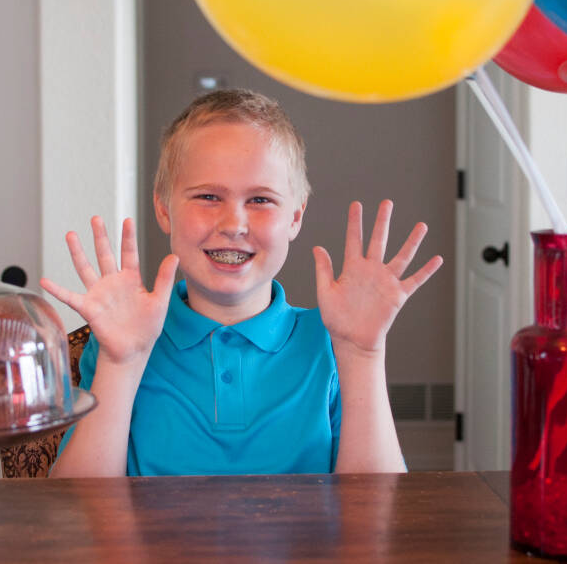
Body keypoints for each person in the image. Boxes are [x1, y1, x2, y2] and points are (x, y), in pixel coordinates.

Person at [41, 89, 443, 477]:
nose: (233, 224)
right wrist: (120, 362)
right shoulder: (122, 339)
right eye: (208, 197)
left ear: (295, 218)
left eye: (260, 200)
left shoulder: (333, 341)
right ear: (164, 210)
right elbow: (80, 510)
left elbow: (376, 511)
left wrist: (362, 354)